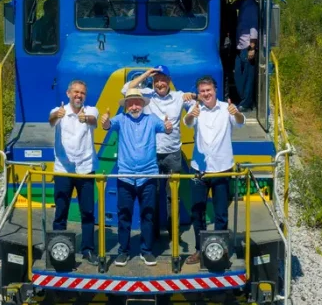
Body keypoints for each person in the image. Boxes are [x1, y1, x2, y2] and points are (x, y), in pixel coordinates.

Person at [122, 65, 195, 244]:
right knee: (151, 195)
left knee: (173, 196)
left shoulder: (179, 97)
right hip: (151, 155)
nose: (159, 83)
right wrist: (146, 74)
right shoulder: (147, 95)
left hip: (172, 154)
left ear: (169, 81)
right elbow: (126, 90)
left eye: (163, 79)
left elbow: (196, 108)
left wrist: (192, 97)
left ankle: (173, 234)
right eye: (156, 80)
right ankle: (152, 234)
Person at [101, 88, 174, 267]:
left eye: (137, 102)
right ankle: (123, 252)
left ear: (142, 104)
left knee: (148, 215)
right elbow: (107, 125)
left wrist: (168, 127)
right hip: (125, 175)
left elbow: (166, 130)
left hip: (148, 175)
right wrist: (104, 122)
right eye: (130, 103)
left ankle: (146, 251)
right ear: (126, 105)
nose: (134, 106)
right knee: (124, 215)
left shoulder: (152, 119)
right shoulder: (121, 119)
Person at [182, 75, 245, 264]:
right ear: (199, 94)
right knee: (197, 211)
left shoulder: (228, 109)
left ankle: (221, 250)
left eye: (208, 90)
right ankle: (200, 250)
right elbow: (187, 122)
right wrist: (192, 112)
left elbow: (240, 122)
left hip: (222, 168)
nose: (206, 94)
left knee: (220, 213)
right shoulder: (195, 109)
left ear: (215, 90)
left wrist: (236, 113)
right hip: (200, 170)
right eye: (202, 91)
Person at [49, 79, 99, 265]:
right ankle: (58, 250)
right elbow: (51, 120)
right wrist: (57, 116)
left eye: (82, 93)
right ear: (68, 94)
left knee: (87, 212)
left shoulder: (91, 111)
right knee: (61, 212)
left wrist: (86, 118)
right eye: (76, 92)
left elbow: (94, 120)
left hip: (85, 169)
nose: (79, 95)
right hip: (63, 170)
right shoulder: (58, 111)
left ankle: (87, 249)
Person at [233, 0, 259, 111]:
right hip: (240, 46)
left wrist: (252, 48)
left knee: (248, 77)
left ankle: (246, 103)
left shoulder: (251, 7)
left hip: (247, 46)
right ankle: (243, 99)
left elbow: (254, 27)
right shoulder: (244, 4)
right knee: (238, 75)